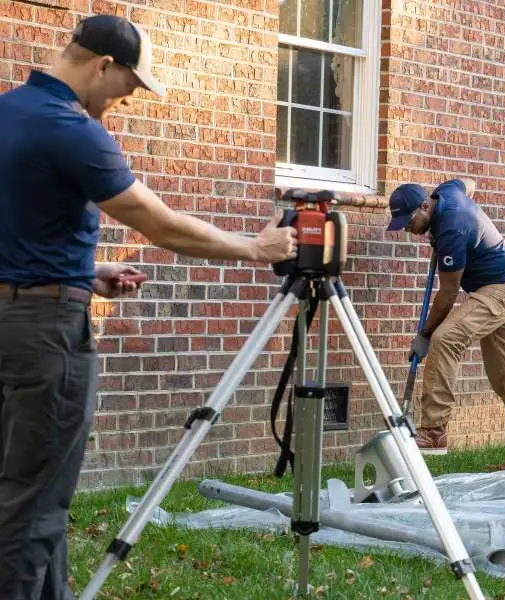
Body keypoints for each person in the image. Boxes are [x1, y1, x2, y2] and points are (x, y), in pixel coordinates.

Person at [0, 15, 297, 599]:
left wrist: (85, 274)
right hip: (45, 337)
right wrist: (255, 248)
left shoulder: (8, 112)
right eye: (129, 86)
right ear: (103, 65)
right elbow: (161, 224)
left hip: (14, 321)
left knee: (30, 490)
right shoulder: (73, 129)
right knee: (33, 507)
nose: (128, 99)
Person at [387, 178, 505, 472]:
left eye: (409, 222)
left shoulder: (452, 229)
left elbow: (448, 294)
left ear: (425, 206)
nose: (407, 230)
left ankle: (433, 431)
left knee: (445, 338)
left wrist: (425, 334)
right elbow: (468, 184)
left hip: (502, 288)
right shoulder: (447, 192)